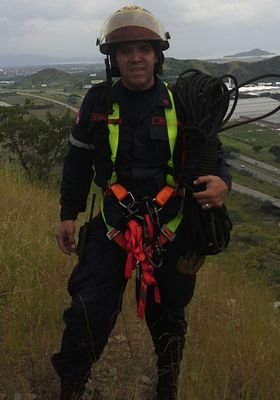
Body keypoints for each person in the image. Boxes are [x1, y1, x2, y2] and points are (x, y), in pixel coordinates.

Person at [52, 5, 231, 400]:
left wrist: (223, 183)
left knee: (169, 318)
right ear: (113, 60)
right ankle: (70, 388)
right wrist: (69, 214)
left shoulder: (181, 103)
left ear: (157, 55)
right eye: (125, 50)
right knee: (88, 311)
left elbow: (213, 156)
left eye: (144, 49)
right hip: (114, 223)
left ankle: (167, 387)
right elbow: (78, 161)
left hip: (170, 225)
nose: (136, 57)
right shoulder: (98, 103)